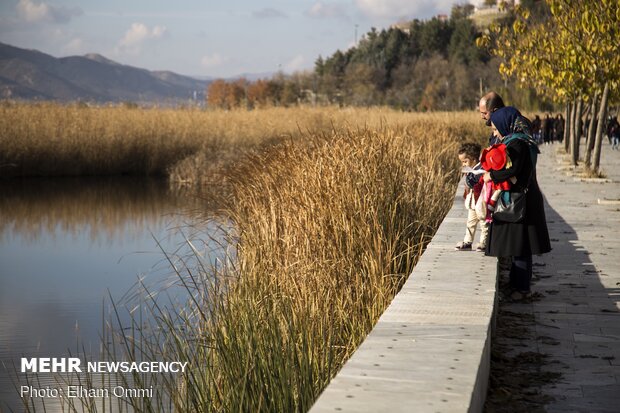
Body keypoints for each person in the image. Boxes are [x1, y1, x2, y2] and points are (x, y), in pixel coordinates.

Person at [483, 106, 551, 301]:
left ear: (505, 124)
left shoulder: (517, 144)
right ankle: (516, 284)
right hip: (523, 199)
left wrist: (491, 175)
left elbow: (512, 171)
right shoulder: (521, 140)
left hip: (522, 202)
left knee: (521, 248)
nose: (495, 133)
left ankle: (521, 289)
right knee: (517, 247)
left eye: (496, 129)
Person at [455, 142, 488, 252]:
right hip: (473, 200)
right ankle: (468, 241)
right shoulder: (471, 170)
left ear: (474, 159)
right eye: (462, 162)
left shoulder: (480, 169)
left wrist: (469, 178)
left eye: (465, 161)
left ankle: (484, 242)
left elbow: (477, 183)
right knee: (471, 221)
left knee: (484, 221)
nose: (463, 164)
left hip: (481, 200)